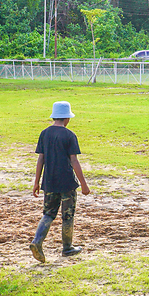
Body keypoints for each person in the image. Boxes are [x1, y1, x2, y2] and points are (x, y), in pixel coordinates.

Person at [30, 100, 91, 263]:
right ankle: (67, 247)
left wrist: (37, 181)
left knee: (48, 213)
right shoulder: (69, 135)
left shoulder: (44, 133)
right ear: (67, 118)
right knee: (67, 215)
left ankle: (37, 241)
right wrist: (84, 184)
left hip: (49, 181)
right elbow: (74, 161)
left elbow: (40, 159)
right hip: (67, 183)